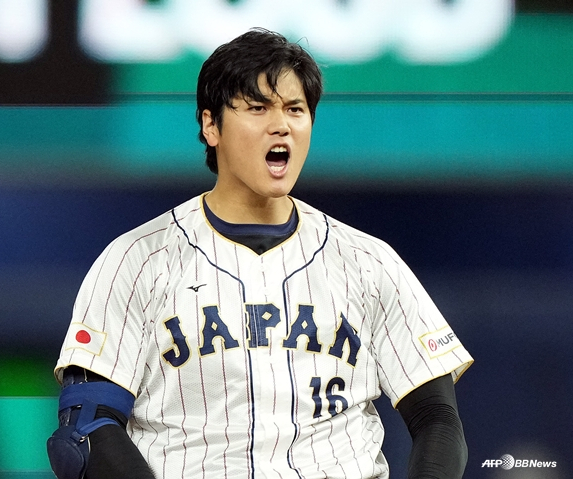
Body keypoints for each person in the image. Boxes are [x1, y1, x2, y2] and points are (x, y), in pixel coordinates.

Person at [47, 28, 473, 479]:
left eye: (295, 109)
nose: (281, 124)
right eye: (257, 107)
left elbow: (438, 421)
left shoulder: (369, 262)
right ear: (210, 125)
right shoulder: (135, 261)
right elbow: (86, 428)